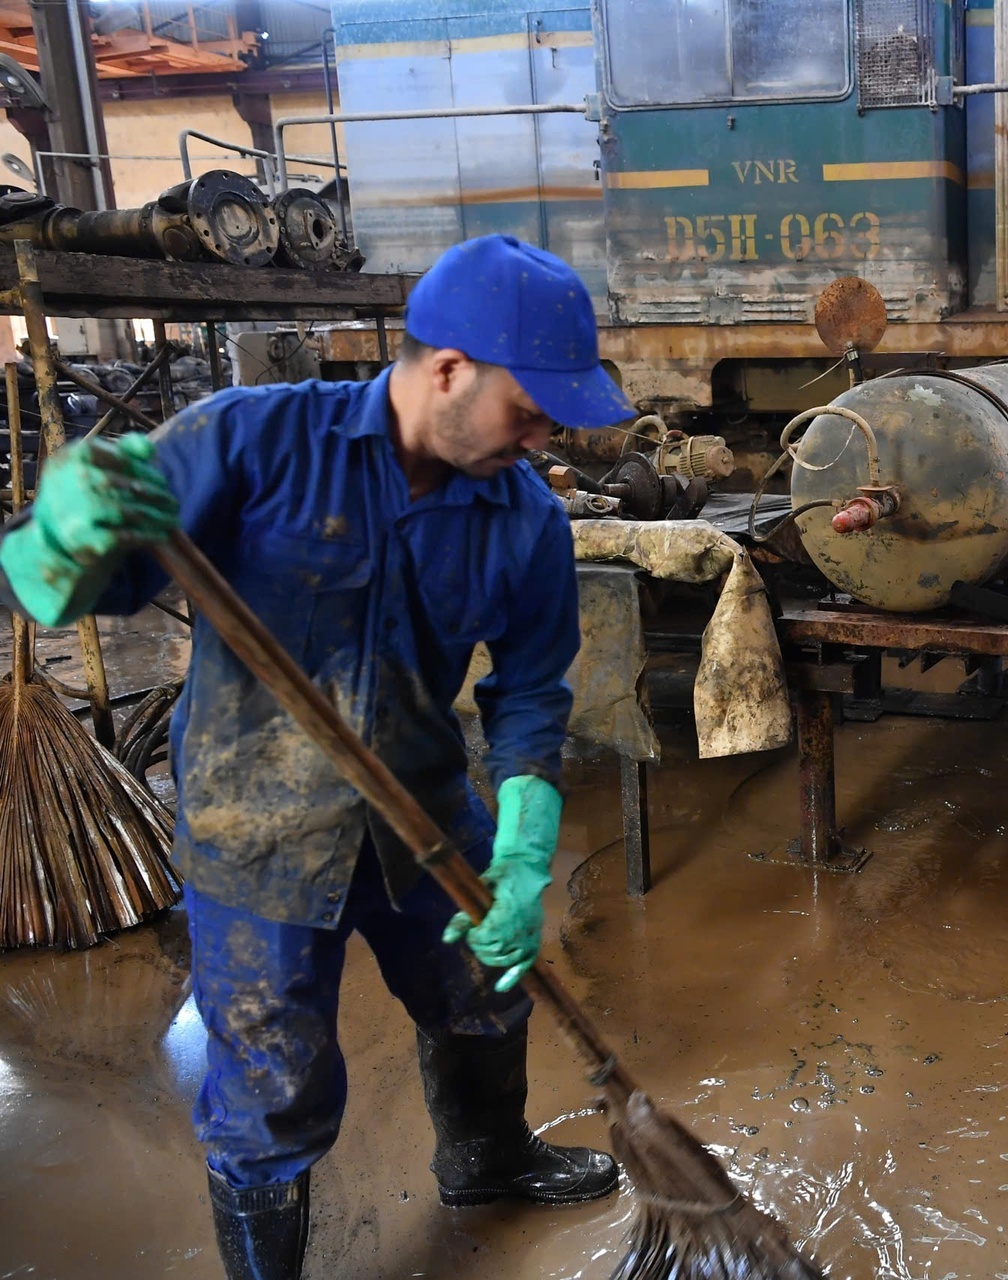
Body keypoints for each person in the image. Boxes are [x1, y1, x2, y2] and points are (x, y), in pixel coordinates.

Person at [0, 234, 637, 1278]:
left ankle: (485, 1155)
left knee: (485, 988)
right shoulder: (250, 442)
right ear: (448, 371)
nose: (545, 431)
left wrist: (523, 848)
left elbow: (529, 694)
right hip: (259, 824)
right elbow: (64, 585)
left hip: (420, 811)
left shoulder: (525, 520)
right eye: (531, 406)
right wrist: (57, 536)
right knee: (270, 1072)